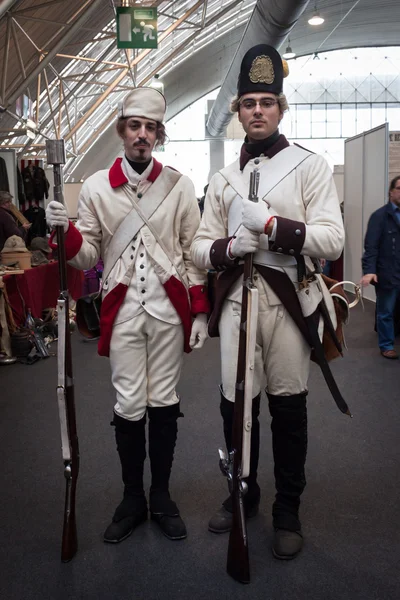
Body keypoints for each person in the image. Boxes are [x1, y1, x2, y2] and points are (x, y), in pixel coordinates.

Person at [191, 44, 344, 560]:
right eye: (249, 102)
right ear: (238, 111)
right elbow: (198, 247)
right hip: (236, 302)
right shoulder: (222, 179)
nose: (257, 110)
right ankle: (243, 492)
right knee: (236, 406)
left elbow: (333, 239)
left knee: (288, 407)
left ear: (281, 110)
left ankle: (288, 508)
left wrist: (275, 229)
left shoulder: (310, 166)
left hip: (286, 303)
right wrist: (227, 248)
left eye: (267, 101)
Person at [46, 87, 209, 544]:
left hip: (167, 311)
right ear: (122, 131)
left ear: (159, 134)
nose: (142, 135)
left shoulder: (180, 185)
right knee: (128, 403)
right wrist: (64, 233)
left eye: (150, 128)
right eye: (134, 126)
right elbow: (88, 256)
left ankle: (161, 494)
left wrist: (199, 313)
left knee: (164, 400)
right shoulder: (97, 186)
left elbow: (191, 253)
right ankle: (132, 496)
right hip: (123, 312)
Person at [361, 175, 400, 359]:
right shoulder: (380, 216)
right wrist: (369, 271)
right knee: (385, 312)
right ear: (391, 192)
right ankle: (386, 345)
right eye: (399, 188)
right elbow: (371, 247)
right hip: (388, 273)